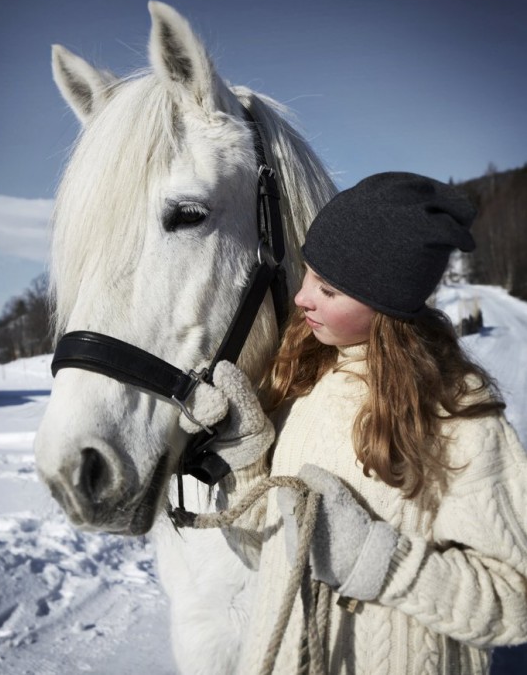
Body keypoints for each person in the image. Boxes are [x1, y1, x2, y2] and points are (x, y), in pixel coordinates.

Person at [180, 172, 527, 674]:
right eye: (308, 273)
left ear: (385, 306)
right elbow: (266, 554)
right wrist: (248, 461)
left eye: (329, 289)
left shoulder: (455, 415)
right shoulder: (305, 380)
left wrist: (380, 562)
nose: (302, 298)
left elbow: (515, 604)